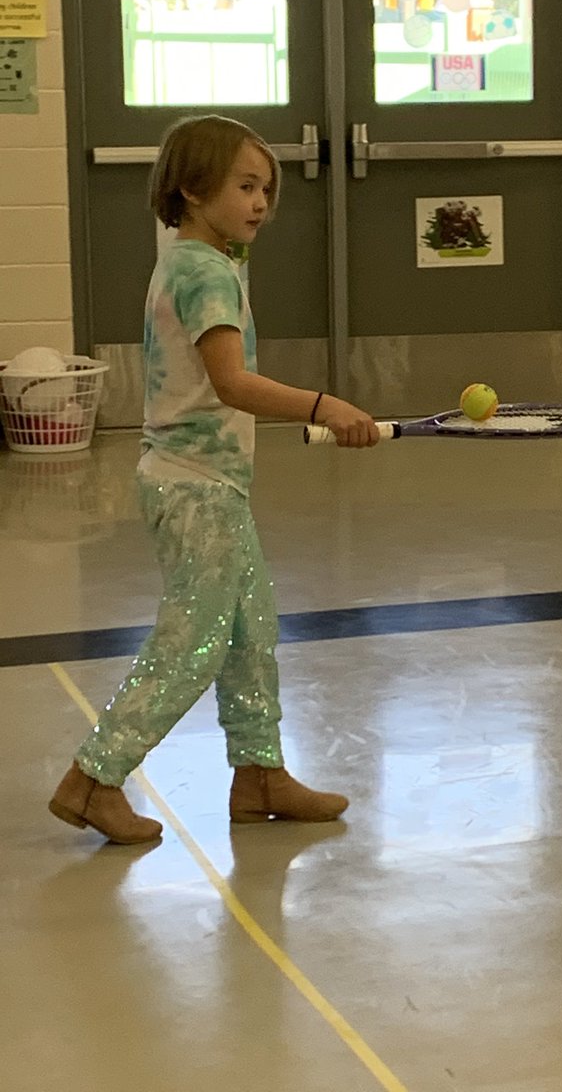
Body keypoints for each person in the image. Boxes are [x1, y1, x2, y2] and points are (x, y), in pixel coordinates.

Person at [49, 115, 380, 845]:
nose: (261, 202)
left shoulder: (207, 259)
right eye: (245, 185)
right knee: (193, 642)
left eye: (267, 188)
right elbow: (233, 383)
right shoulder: (202, 271)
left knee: (249, 631)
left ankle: (260, 774)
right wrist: (327, 407)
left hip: (211, 482)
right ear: (192, 189)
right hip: (191, 483)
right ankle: (94, 778)